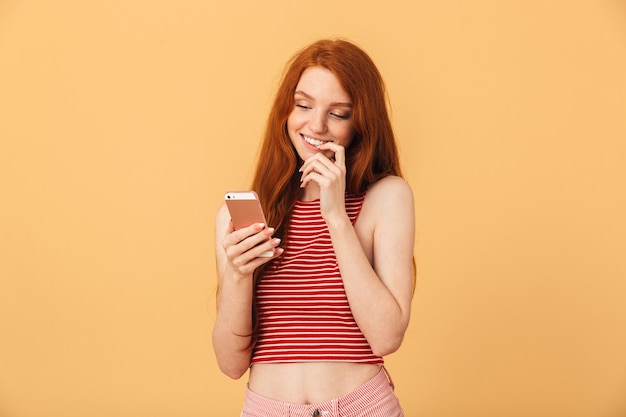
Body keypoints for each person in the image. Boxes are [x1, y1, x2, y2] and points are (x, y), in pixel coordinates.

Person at [213, 39, 415, 417]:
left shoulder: (385, 198)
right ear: (285, 111)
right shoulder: (240, 217)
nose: (316, 125)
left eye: (338, 113)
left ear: (361, 124)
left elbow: (387, 336)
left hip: (361, 408)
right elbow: (230, 363)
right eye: (304, 105)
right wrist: (239, 275)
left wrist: (336, 217)